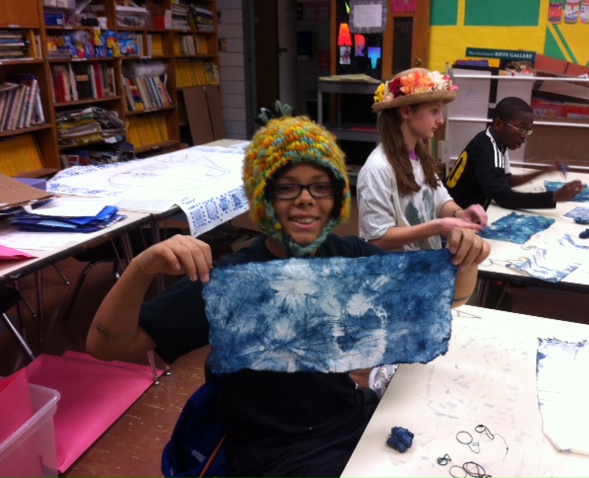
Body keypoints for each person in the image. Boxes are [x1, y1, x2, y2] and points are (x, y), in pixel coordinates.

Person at [86, 110, 490, 478]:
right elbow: (106, 345)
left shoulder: (351, 258)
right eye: (286, 187)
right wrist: (141, 268)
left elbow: (450, 298)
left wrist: (466, 255)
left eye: (320, 187)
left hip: (346, 419)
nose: (305, 199)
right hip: (277, 453)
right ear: (263, 197)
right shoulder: (231, 281)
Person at [357, 67, 488, 253]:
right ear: (406, 111)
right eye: (434, 111)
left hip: (424, 263)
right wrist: (436, 227)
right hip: (398, 269)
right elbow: (376, 238)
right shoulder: (378, 169)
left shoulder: (421, 156)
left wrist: (459, 213)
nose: (441, 120)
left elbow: (440, 200)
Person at [445, 96, 584, 210]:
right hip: (457, 213)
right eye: (521, 129)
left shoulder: (493, 140)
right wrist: (554, 197)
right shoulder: (489, 152)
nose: (524, 136)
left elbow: (506, 181)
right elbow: (504, 198)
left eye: (528, 131)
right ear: (498, 125)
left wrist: (544, 171)